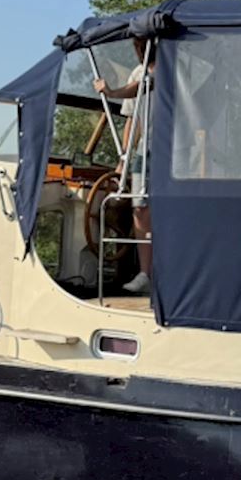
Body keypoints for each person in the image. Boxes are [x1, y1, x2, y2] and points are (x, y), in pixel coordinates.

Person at [94, 38, 155, 295]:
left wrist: (111, 92)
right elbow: (133, 119)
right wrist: (123, 159)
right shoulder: (137, 72)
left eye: (142, 46)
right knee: (139, 207)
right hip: (143, 151)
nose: (138, 51)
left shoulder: (176, 67)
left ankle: (166, 271)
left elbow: (143, 87)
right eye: (137, 47)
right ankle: (145, 273)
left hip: (175, 150)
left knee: (165, 208)